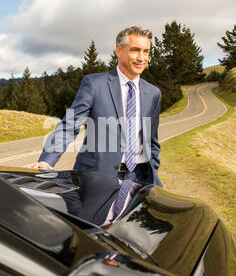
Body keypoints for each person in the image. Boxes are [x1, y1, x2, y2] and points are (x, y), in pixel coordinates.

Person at [25, 26, 162, 187]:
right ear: (119, 50)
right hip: (96, 176)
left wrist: (153, 167)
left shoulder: (153, 93)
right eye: (135, 50)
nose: (141, 57)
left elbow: (151, 140)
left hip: (140, 178)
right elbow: (69, 125)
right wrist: (46, 161)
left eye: (146, 52)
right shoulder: (94, 84)